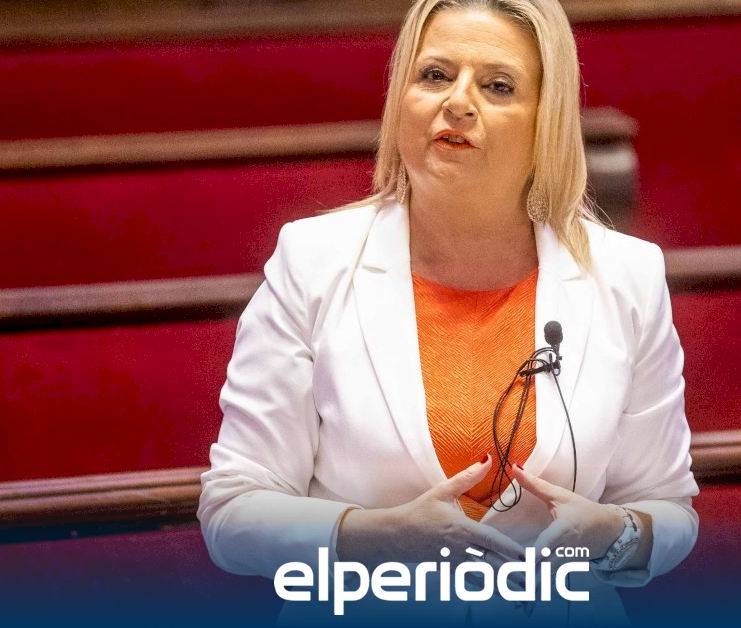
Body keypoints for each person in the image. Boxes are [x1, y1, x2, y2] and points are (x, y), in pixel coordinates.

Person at [197, 0, 699, 625]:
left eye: (498, 86)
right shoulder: (313, 262)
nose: (458, 102)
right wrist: (372, 537)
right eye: (435, 75)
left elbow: (667, 509)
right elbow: (233, 509)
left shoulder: (627, 276)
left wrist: (612, 533)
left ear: (546, 121)